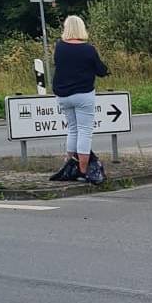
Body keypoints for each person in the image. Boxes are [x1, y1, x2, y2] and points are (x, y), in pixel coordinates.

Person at [52, 15, 109, 183]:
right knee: (85, 131)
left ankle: (69, 165)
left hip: (63, 95)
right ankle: (83, 171)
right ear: (82, 28)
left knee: (72, 129)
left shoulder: (59, 47)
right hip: (83, 94)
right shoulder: (88, 50)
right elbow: (100, 69)